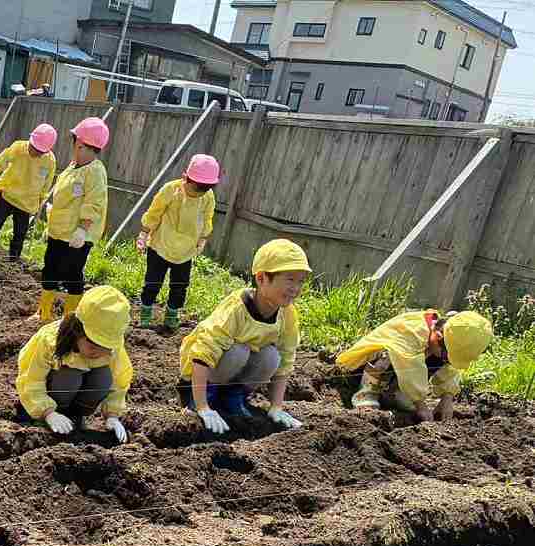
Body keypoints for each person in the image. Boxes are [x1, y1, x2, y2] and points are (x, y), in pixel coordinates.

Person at [178, 239, 309, 435]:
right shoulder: (236, 309)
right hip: (201, 374)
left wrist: (276, 406)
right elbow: (202, 354)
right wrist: (202, 406)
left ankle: (233, 396)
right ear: (261, 278)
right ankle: (205, 395)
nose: (295, 288)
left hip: (236, 369)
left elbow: (285, 360)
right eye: (290, 279)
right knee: (238, 351)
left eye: (300, 281)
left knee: (272, 357)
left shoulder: (287, 313)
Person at [16, 285, 131, 443]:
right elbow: (31, 379)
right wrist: (48, 413)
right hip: (48, 395)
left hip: (76, 397)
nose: (99, 351)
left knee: (103, 378)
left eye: (106, 347)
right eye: (93, 344)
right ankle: (44, 418)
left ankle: (75, 417)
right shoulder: (49, 341)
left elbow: (119, 381)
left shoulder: (113, 348)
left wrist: (112, 415)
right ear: (78, 330)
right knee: (69, 376)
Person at [337, 310, 493, 421]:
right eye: (448, 356)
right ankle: (367, 393)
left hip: (402, 374)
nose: (447, 360)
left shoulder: (443, 344)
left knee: (437, 360)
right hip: (363, 365)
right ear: (438, 336)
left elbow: (450, 369)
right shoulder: (414, 331)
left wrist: (447, 398)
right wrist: (420, 404)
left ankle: (393, 395)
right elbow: (408, 365)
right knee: (389, 353)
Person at [137, 154, 220, 330]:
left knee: (179, 287)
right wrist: (144, 234)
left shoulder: (208, 197)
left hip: (186, 251)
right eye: (196, 189)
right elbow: (154, 212)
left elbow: (207, 218)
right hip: (160, 245)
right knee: (152, 283)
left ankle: (171, 317)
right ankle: (145, 315)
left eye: (204, 190)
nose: (198, 194)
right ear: (185, 178)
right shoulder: (170, 190)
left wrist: (203, 238)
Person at [39, 117, 110, 322]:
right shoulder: (73, 167)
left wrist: (82, 229)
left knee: (72, 273)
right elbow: (65, 196)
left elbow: (94, 203)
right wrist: (52, 218)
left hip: (78, 235)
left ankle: (70, 318)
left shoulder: (95, 172)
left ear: (80, 144)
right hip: (60, 231)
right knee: (50, 268)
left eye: (77, 145)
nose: (75, 149)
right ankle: (44, 312)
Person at [0, 123, 57, 260]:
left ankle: (13, 262)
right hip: (8, 195)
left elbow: (47, 182)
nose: (35, 152)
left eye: (40, 152)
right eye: (34, 148)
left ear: (46, 151)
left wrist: (41, 198)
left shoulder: (50, 161)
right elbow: (3, 158)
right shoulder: (19, 147)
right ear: (31, 141)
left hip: (27, 204)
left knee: (20, 234)